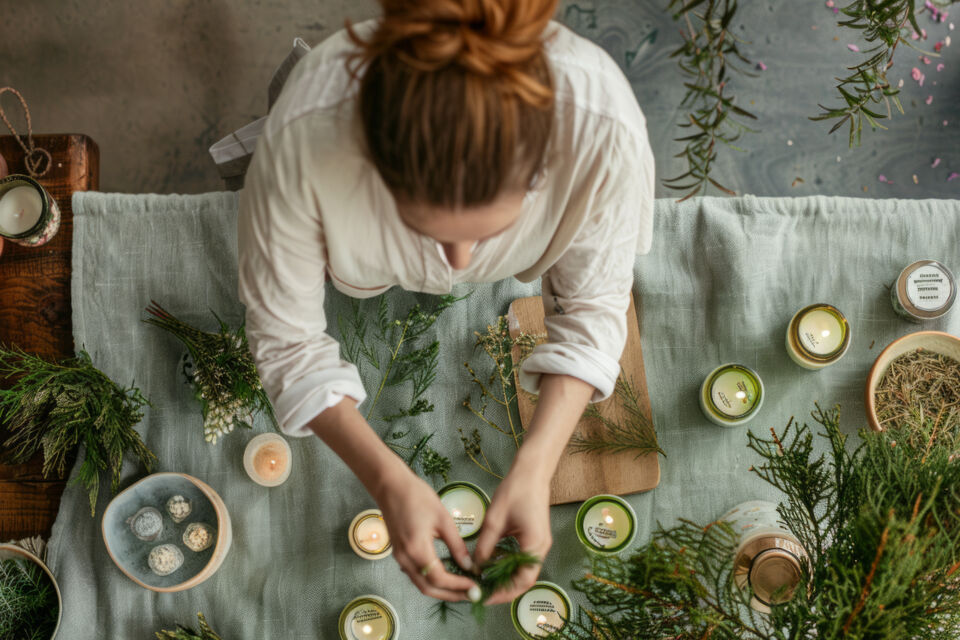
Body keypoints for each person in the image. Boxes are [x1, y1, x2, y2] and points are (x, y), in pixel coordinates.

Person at [237, 0, 655, 606]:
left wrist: (536, 469)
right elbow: (286, 344)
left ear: (542, 169)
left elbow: (591, 312)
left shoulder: (602, 134)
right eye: (423, 228)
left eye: (488, 233)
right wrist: (386, 480)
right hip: (350, 265)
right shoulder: (302, 140)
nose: (458, 267)